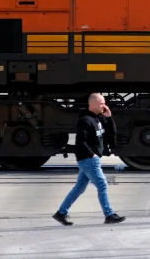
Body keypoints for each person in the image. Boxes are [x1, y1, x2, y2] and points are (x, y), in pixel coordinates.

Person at [53, 93, 126, 226]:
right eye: (101, 103)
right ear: (92, 104)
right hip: (88, 159)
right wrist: (91, 154)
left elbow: (112, 133)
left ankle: (61, 213)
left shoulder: (98, 118)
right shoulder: (85, 121)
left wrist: (109, 118)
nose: (104, 106)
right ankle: (109, 215)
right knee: (102, 184)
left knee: (79, 187)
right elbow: (80, 141)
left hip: (91, 159)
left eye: (104, 103)